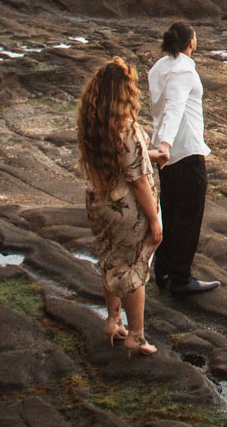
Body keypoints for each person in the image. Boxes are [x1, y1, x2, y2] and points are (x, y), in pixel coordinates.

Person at [76, 57, 163, 356]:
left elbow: (120, 161)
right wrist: (154, 219)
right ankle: (136, 337)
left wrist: (149, 155)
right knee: (134, 267)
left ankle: (113, 320)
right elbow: (137, 179)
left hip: (98, 203)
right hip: (126, 209)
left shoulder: (92, 123)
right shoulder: (127, 128)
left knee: (111, 260)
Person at [149, 20, 218, 296]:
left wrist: (162, 145)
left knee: (170, 211)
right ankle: (181, 277)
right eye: (195, 36)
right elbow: (175, 107)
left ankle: (163, 270)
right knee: (188, 215)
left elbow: (160, 109)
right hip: (185, 150)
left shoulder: (159, 67)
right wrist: (165, 144)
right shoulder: (183, 70)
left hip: (168, 155)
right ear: (190, 42)